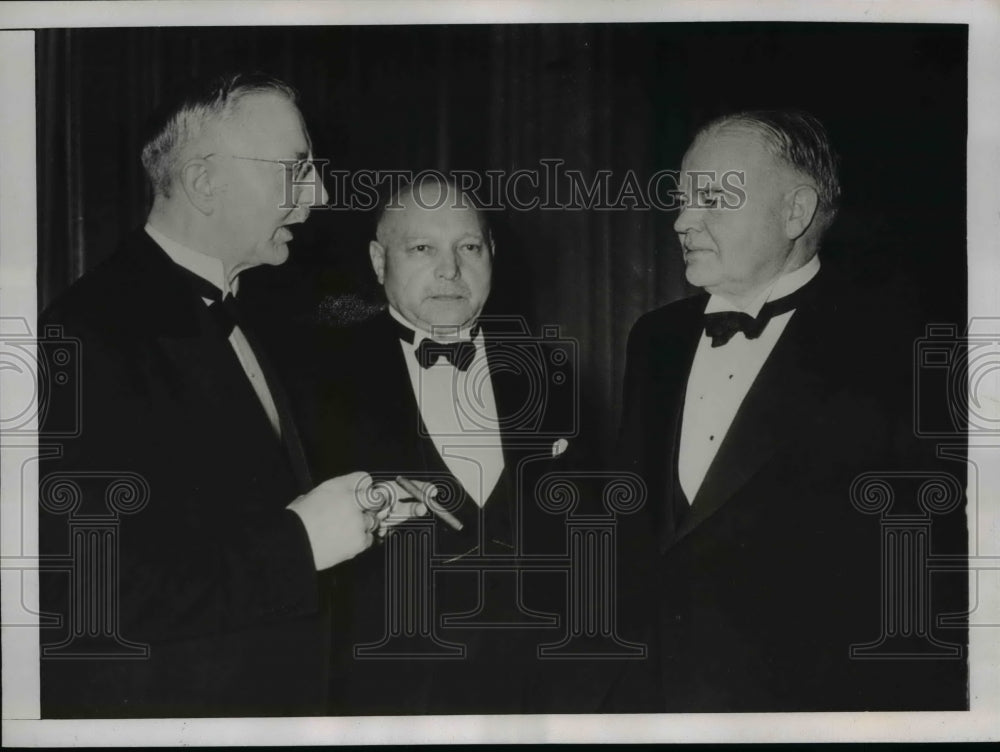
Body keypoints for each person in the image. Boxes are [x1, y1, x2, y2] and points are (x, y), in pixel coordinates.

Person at [37, 72, 428, 718]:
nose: (319, 194)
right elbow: (86, 589)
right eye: (296, 169)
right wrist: (302, 540)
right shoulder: (84, 333)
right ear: (204, 182)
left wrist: (348, 516)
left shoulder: (255, 315)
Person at [612, 110, 967, 711]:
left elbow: (930, 572)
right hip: (662, 698)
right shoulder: (656, 339)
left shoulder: (900, 346)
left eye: (712, 199)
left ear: (795, 212)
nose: (680, 221)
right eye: (680, 199)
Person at [299, 177, 575, 714]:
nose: (450, 269)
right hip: (385, 702)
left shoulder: (548, 372)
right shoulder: (312, 381)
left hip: (535, 700)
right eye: (422, 248)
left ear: (492, 253)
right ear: (379, 261)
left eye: (468, 247)